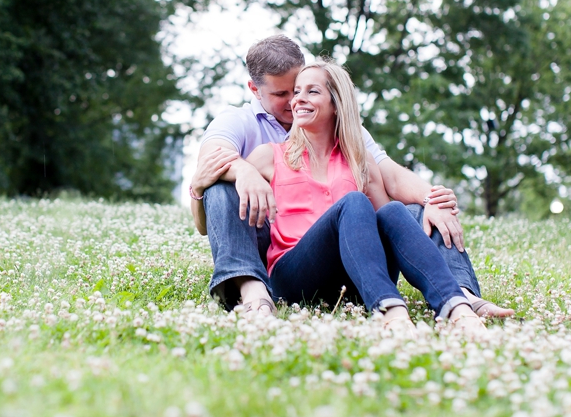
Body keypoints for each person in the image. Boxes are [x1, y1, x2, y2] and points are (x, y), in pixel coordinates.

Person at [190, 35, 513, 318]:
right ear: (254, 89)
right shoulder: (241, 124)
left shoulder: (349, 137)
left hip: (343, 242)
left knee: (412, 211)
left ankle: (461, 295)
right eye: (283, 93)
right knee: (222, 185)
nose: (294, 100)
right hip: (268, 237)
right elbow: (209, 170)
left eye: (303, 88)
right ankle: (252, 288)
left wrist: (433, 198)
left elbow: (390, 178)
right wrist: (244, 170)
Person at [244, 59, 485, 334]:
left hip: (354, 284)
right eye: (297, 91)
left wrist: (429, 202)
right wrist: (236, 172)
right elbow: (225, 181)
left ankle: (457, 307)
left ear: (336, 103)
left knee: (393, 211)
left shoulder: (360, 160)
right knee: (355, 202)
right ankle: (390, 312)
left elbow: (387, 225)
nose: (298, 99)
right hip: (294, 278)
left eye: (312, 91)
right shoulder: (269, 156)